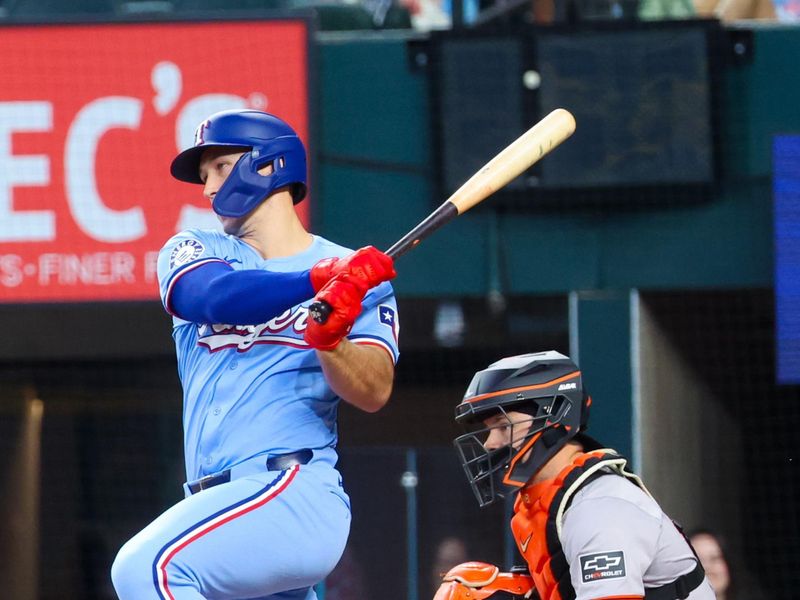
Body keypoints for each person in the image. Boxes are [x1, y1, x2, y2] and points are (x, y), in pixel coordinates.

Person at [111, 109, 399, 600]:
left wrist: (330, 338)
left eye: (220, 167)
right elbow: (214, 296)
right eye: (204, 177)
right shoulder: (195, 247)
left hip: (293, 491)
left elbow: (373, 391)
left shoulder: (358, 279)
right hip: (217, 514)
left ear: (270, 166)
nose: (206, 188)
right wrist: (313, 282)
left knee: (147, 569)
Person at [434, 350, 716, 600]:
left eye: (503, 426)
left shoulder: (599, 509)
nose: (489, 443)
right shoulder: (545, 503)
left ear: (553, 417)